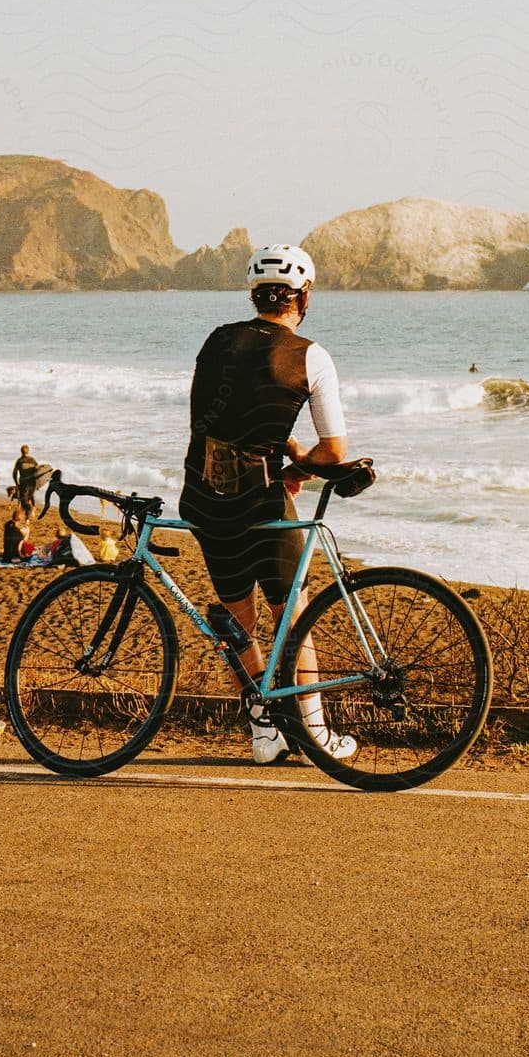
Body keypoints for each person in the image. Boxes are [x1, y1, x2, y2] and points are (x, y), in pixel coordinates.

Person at [179, 243, 358, 767]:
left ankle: (264, 731)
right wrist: (297, 466)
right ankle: (314, 735)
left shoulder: (214, 342)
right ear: (304, 297)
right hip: (263, 500)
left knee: (237, 619)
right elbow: (335, 450)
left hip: (205, 496)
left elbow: (216, 418)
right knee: (292, 616)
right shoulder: (311, 355)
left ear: (253, 294)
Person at [0, 504, 28, 569]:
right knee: (27, 558)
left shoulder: (8, 525)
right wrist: (23, 557)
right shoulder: (19, 534)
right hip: (11, 558)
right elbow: (19, 547)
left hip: (6, 555)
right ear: (20, 520)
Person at [10, 444, 41, 520]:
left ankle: (31, 509)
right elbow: (38, 472)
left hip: (24, 484)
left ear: (21, 451)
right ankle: (27, 519)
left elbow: (14, 473)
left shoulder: (20, 461)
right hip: (32, 484)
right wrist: (38, 483)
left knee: (24, 502)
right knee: (29, 500)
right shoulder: (33, 460)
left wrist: (16, 483)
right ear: (28, 451)